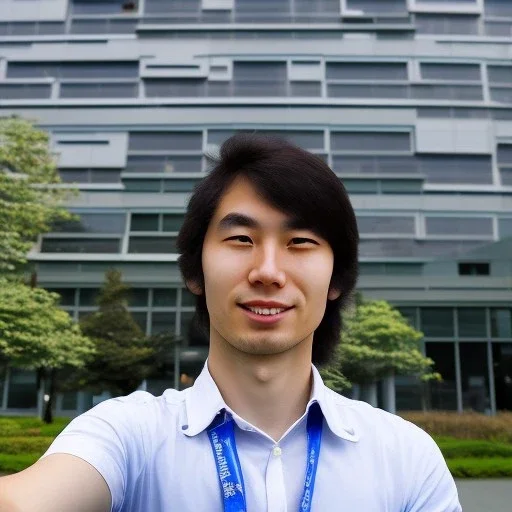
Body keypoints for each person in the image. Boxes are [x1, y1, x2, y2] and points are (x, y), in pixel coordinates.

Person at [0, 134, 461, 512]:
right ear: (195, 272)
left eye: (300, 241)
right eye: (241, 238)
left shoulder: (406, 457)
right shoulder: (126, 435)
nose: (268, 271)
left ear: (336, 279)